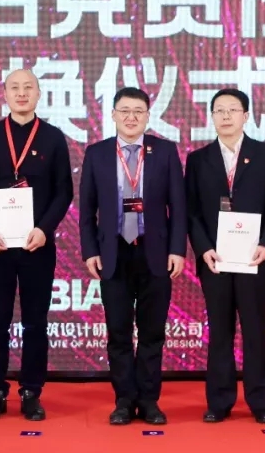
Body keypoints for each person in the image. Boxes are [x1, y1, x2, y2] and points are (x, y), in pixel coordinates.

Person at [0, 69, 73, 421]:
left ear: (39, 94)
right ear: (5, 94)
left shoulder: (54, 137)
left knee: (35, 322)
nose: (22, 93)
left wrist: (45, 229)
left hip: (36, 246)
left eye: (28, 87)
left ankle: (31, 391)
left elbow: (64, 191)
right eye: (15, 87)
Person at [79, 87, 187, 426]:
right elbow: (86, 210)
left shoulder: (164, 151)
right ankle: (124, 400)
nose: (131, 117)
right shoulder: (96, 153)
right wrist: (90, 251)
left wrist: (177, 249)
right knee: (119, 332)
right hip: (113, 253)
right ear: (112, 115)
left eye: (138, 111)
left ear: (148, 116)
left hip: (155, 252)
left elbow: (179, 206)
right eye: (124, 110)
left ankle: (149, 400)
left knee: (153, 332)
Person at [185, 88, 265, 424]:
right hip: (215, 260)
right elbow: (191, 211)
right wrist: (204, 249)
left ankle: (262, 402)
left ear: (246, 116)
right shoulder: (198, 159)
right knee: (220, 331)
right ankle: (219, 401)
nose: (226, 116)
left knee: (255, 329)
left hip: (255, 258)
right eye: (219, 110)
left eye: (233, 110)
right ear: (212, 117)